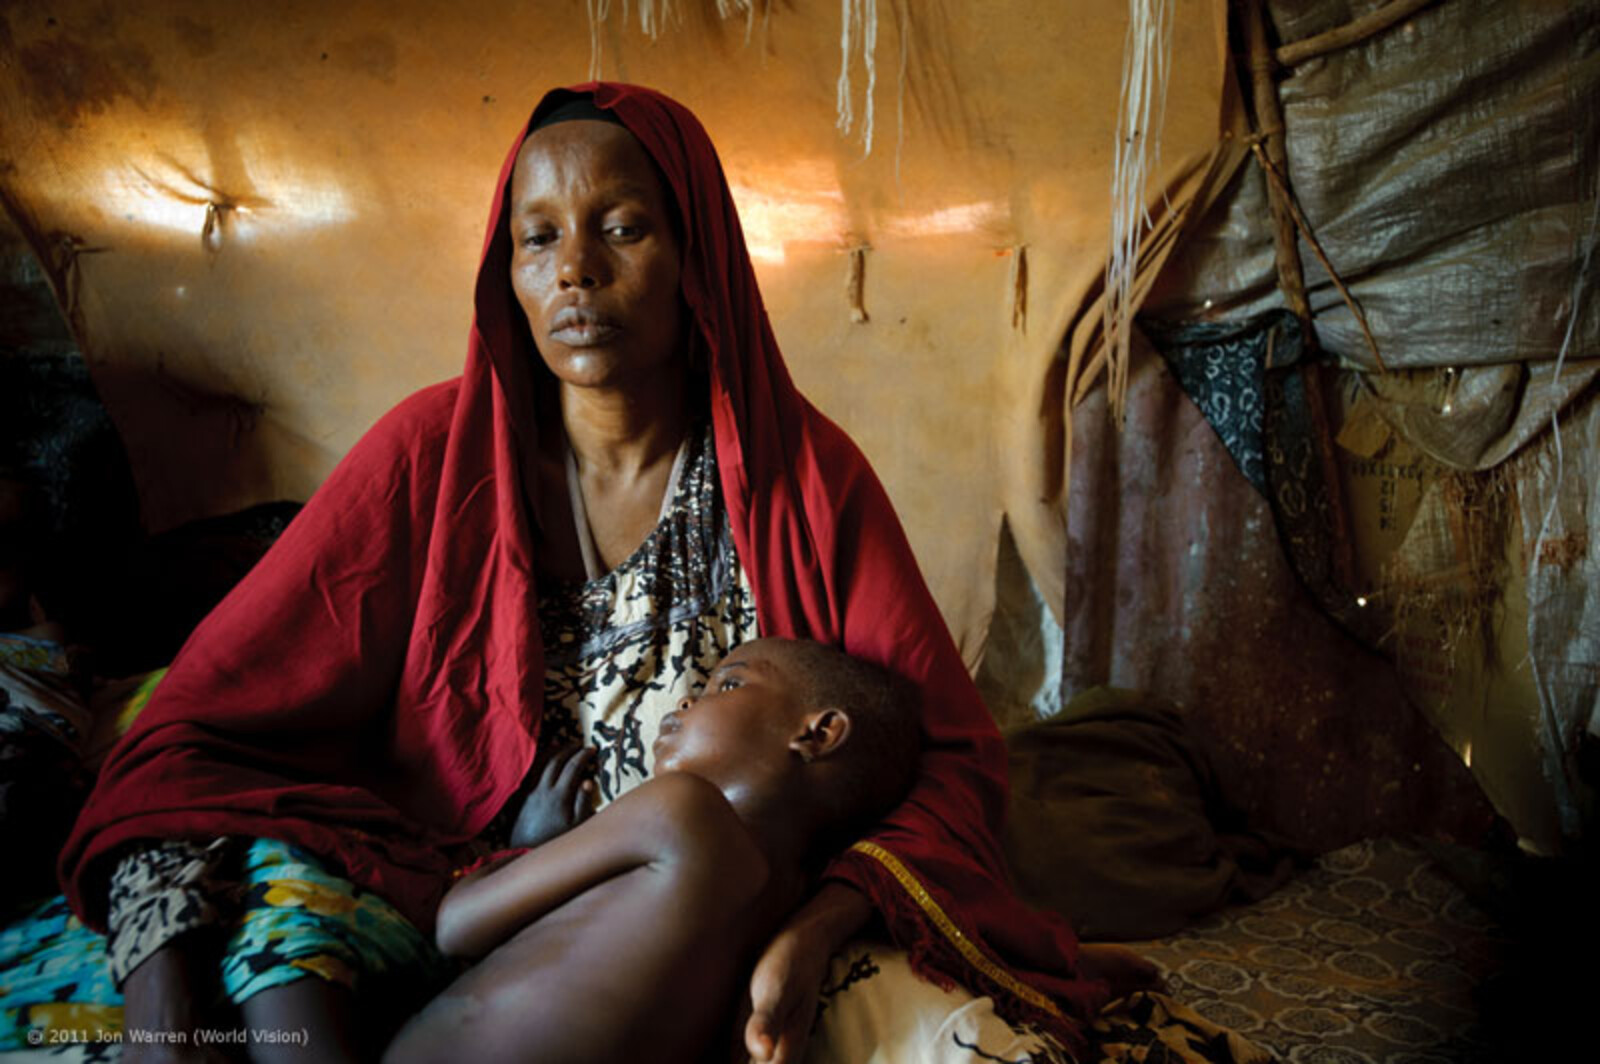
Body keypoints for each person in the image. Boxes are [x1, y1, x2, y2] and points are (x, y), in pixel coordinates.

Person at [36, 84, 1105, 1062]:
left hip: (684, 920)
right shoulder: (428, 454)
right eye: (536, 238)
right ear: (505, 272)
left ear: (698, 257)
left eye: (623, 228)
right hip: (448, 888)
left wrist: (818, 928)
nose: (574, 271)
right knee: (232, 992)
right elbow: (201, 724)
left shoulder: (803, 481)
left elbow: (946, 759)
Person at [385, 637, 919, 1064]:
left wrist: (534, 845)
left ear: (819, 733)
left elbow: (456, 923)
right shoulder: (787, 904)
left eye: (729, 684)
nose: (689, 697)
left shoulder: (679, 810)